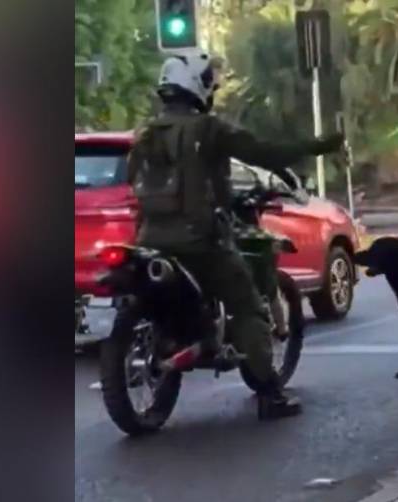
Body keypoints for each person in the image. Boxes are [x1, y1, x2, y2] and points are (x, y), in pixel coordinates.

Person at [127, 53, 343, 420]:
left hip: (149, 240)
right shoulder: (209, 130)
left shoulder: (144, 135)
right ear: (197, 83)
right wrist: (318, 146)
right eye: (210, 78)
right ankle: (270, 396)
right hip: (199, 243)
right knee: (248, 306)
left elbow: (137, 184)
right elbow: (264, 152)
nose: (213, 85)